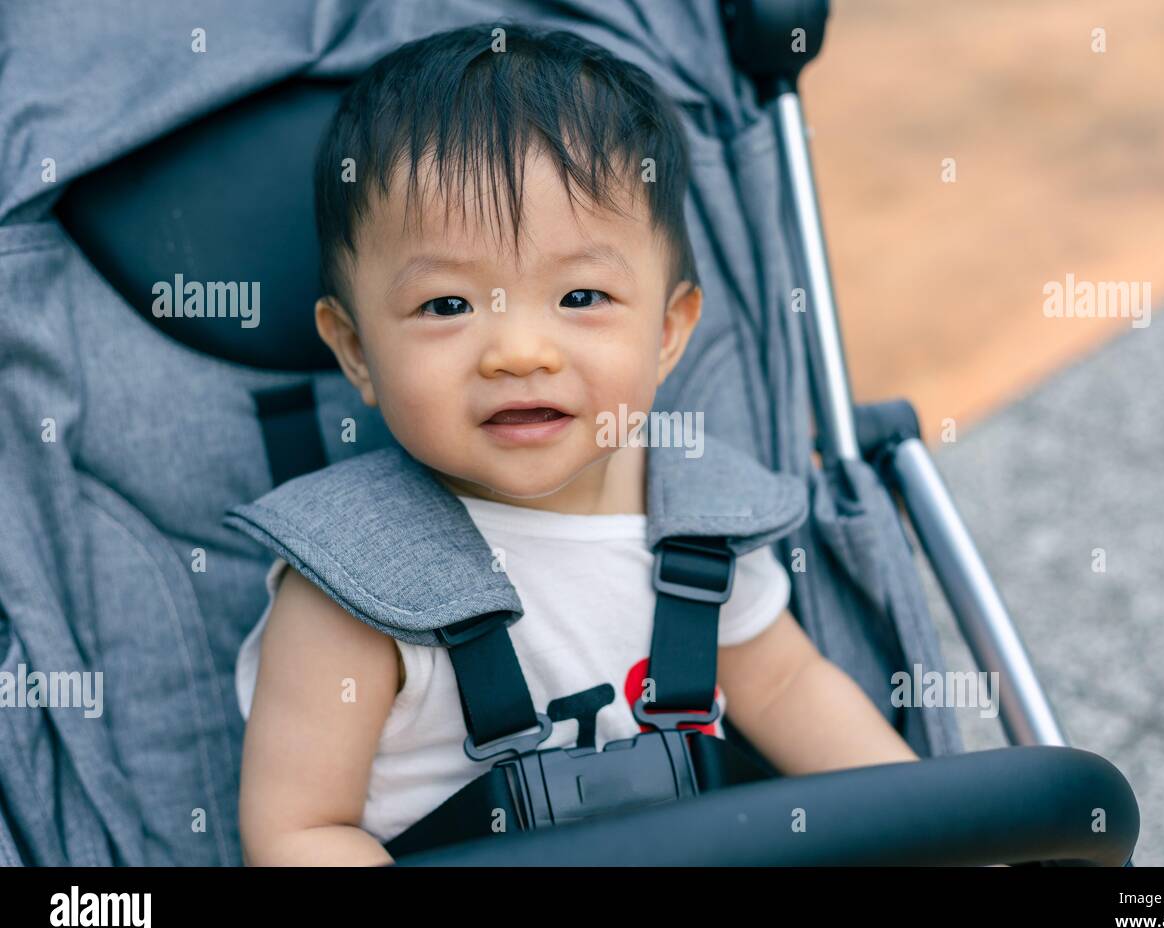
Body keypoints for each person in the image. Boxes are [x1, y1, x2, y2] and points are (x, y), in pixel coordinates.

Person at [235, 21, 918, 867]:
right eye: (447, 306)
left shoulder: (697, 522)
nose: (519, 351)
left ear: (669, 333)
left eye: (582, 294)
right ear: (355, 353)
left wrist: (947, 831)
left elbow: (787, 688)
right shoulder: (349, 588)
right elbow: (301, 830)